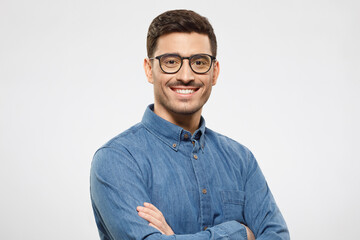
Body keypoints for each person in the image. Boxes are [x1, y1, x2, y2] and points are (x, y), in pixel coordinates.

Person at [90, 9, 289, 240]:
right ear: (149, 69)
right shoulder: (117, 159)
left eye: (199, 62)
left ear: (214, 73)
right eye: (171, 61)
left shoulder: (241, 160)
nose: (186, 75)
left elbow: (277, 236)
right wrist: (239, 232)